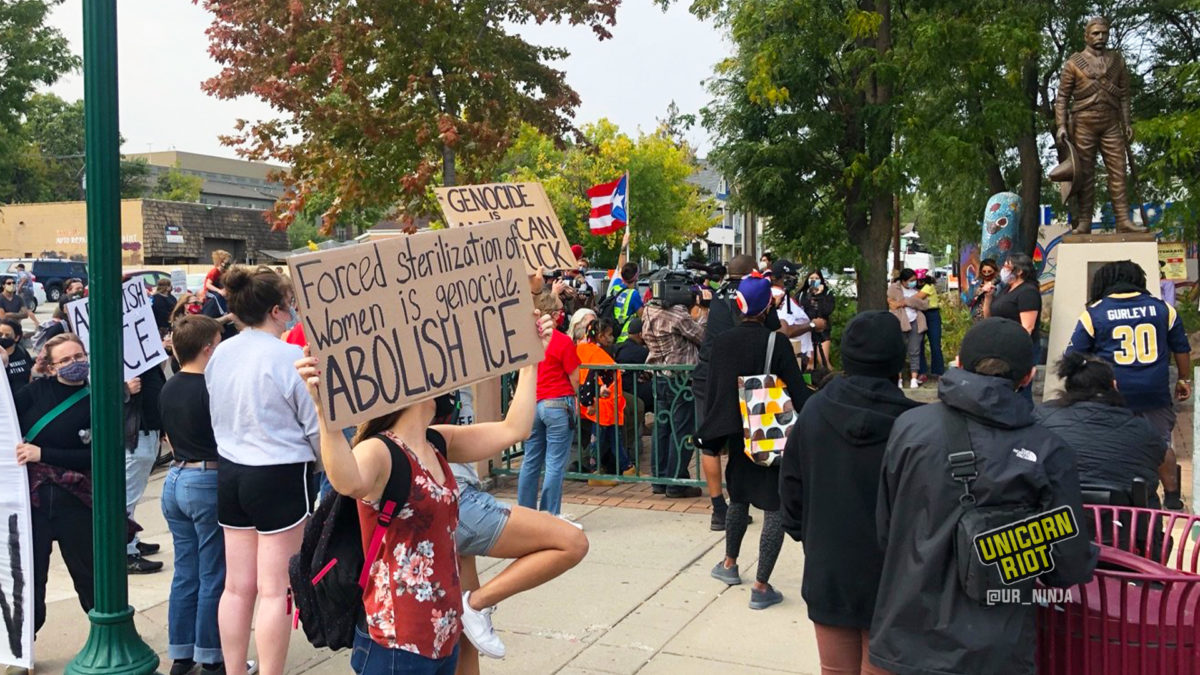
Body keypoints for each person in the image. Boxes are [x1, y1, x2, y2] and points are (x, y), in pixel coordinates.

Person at [294, 313, 557, 674]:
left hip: (442, 634)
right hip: (396, 643)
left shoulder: (436, 441)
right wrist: (325, 413)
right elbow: (347, 480)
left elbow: (515, 428)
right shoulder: (381, 451)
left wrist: (531, 361)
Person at [870, 318, 1097, 675]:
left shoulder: (910, 428)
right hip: (996, 651)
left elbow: (886, 529)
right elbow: (1067, 565)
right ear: (1027, 378)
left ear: (958, 362)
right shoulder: (1048, 451)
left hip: (904, 641)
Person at [780, 311, 920, 674]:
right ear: (896, 359)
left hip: (829, 569)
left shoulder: (813, 412)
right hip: (895, 578)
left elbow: (790, 492)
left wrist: (808, 535)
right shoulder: (916, 427)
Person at [206, 266, 318, 675]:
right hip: (280, 474)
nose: (291, 313)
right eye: (289, 306)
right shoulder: (291, 357)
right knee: (276, 590)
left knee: (237, 586)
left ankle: (235, 670)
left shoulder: (221, 352)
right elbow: (316, 427)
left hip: (231, 470)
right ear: (276, 309)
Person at [695, 273, 808, 610]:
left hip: (738, 437)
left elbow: (716, 393)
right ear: (768, 307)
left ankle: (729, 564)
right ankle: (761, 585)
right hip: (772, 438)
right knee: (773, 507)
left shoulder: (723, 342)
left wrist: (713, 438)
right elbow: (799, 394)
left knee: (739, 499)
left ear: (739, 304)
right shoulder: (778, 343)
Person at [1067, 260, 1191, 509]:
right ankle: (1173, 498)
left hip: (1113, 394)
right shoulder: (1164, 309)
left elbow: (1073, 356)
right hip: (1155, 392)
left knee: (1114, 441)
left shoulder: (1095, 313)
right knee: (1161, 443)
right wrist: (1183, 379)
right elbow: (1181, 348)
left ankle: (1124, 493)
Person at [14, 334, 95, 640]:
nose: (75, 363)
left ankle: (106, 635)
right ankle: (23, 646)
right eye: (65, 360)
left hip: (76, 500)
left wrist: (43, 454)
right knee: (31, 576)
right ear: (50, 367)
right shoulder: (36, 392)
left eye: (79, 356)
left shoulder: (96, 399)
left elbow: (98, 455)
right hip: (33, 503)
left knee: (89, 575)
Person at [159, 315, 227, 675]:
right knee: (213, 571)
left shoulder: (169, 387)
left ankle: (181, 656)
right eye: (218, 341)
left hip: (175, 478)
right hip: (204, 478)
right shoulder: (209, 388)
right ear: (207, 348)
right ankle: (212, 655)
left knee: (186, 572)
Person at [694, 255, 781, 528]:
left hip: (707, 372)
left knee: (709, 441)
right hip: (744, 376)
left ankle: (719, 508)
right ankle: (740, 503)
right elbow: (771, 331)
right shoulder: (754, 296)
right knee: (741, 439)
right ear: (752, 272)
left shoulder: (716, 295)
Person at [1035, 352, 1166, 507]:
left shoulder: (1040, 418)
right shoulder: (1144, 430)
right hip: (1124, 525)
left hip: (1054, 525)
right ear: (1114, 386)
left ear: (1069, 386)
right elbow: (1160, 457)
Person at [642, 282, 709, 498]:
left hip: (660, 376)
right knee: (681, 432)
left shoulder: (649, 310)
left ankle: (659, 479)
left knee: (661, 430)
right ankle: (676, 482)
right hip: (680, 381)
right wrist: (705, 311)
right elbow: (703, 337)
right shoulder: (677, 316)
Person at [517, 292, 580, 517]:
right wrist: (576, 397)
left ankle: (525, 513)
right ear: (553, 315)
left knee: (530, 461)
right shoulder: (562, 341)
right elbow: (574, 377)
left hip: (533, 403)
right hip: (557, 403)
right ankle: (549, 514)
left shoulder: (528, 340)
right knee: (554, 463)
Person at [124, 362, 168, 575]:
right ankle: (125, 551)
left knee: (133, 493)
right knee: (126, 497)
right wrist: (124, 390)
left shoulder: (142, 359)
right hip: (135, 435)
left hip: (148, 430)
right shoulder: (118, 357)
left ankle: (132, 539)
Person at [576, 316, 630, 481]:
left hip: (594, 401)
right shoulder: (600, 356)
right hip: (603, 404)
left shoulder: (581, 349)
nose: (612, 338)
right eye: (609, 334)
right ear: (600, 336)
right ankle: (595, 472)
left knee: (613, 437)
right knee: (600, 439)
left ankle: (626, 466)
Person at [982, 253, 1042, 401]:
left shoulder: (1027, 291)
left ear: (1019, 271)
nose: (1003, 269)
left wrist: (1013, 348)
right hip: (1001, 345)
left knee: (1020, 390)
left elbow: (1027, 327)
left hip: (1019, 348)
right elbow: (988, 316)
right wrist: (988, 297)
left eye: (1007, 266)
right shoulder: (1006, 290)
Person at [771, 260, 816, 370]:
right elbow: (784, 331)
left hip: (797, 356)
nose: (795, 278)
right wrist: (812, 325)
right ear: (784, 278)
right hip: (792, 357)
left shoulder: (783, 296)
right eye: (793, 275)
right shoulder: (779, 298)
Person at [887, 268, 928, 389]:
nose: (913, 282)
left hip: (916, 322)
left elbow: (925, 304)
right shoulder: (894, 289)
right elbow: (892, 304)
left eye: (915, 280)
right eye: (911, 280)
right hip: (900, 322)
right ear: (903, 281)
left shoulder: (917, 289)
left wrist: (906, 302)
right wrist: (910, 301)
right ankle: (899, 378)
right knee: (899, 351)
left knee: (915, 351)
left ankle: (914, 378)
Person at [799, 269, 835, 369]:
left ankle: (831, 379)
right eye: (811, 278)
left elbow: (826, 310)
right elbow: (801, 310)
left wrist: (819, 295)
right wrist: (810, 295)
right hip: (807, 330)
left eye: (816, 278)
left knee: (823, 360)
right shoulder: (802, 294)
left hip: (822, 331)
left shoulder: (827, 294)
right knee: (809, 362)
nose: (814, 280)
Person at [604, 262, 644, 344]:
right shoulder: (633, 294)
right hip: (625, 340)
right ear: (636, 277)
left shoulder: (615, 286)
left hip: (612, 336)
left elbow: (620, 269)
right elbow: (643, 317)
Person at [915, 269, 944, 382]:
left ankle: (939, 371)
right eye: (917, 280)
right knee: (919, 344)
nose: (919, 282)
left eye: (921, 280)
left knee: (935, 344)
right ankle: (922, 372)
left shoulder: (928, 286)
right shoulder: (916, 288)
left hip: (932, 314)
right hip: (920, 314)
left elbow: (917, 297)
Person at [2, 319, 33, 395]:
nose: (3, 337)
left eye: (7, 335)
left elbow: (30, 371)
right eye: (0, 334)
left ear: (16, 337)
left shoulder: (21, 351)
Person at [968, 258, 1000, 323]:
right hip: (976, 319)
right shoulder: (975, 284)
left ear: (995, 271)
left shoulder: (999, 285)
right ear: (981, 272)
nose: (987, 274)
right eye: (984, 271)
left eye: (989, 271)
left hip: (993, 319)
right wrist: (979, 292)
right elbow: (969, 300)